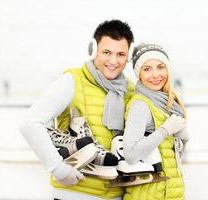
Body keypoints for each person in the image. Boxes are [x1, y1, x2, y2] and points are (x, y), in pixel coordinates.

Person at [19, 19, 134, 200]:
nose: (113, 60)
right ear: (93, 49)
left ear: (128, 56)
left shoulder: (129, 90)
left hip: (115, 193)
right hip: (75, 192)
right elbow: (30, 123)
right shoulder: (72, 81)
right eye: (106, 52)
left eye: (120, 54)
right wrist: (57, 168)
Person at [122, 43, 189, 200]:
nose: (156, 74)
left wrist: (183, 138)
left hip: (170, 192)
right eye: (147, 69)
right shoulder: (141, 104)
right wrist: (165, 130)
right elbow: (131, 154)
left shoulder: (166, 104)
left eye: (160, 67)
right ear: (139, 74)